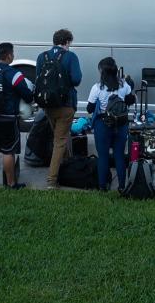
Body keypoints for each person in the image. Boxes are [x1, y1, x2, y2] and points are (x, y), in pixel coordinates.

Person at [0, 42, 34, 189]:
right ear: (9, 55)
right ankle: (11, 183)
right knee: (8, 151)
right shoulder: (13, 73)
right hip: (7, 118)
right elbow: (27, 95)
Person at [35, 28, 83, 189]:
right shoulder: (70, 56)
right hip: (66, 105)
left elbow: (38, 79)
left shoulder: (42, 57)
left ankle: (67, 165)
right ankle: (51, 180)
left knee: (60, 136)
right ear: (67, 42)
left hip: (48, 105)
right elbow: (76, 79)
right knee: (60, 141)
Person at [86, 57, 136, 190]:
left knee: (103, 156)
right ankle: (121, 186)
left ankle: (102, 186)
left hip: (103, 124)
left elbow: (89, 109)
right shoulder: (124, 85)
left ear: (102, 72)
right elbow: (131, 100)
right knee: (119, 155)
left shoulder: (97, 87)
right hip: (121, 124)